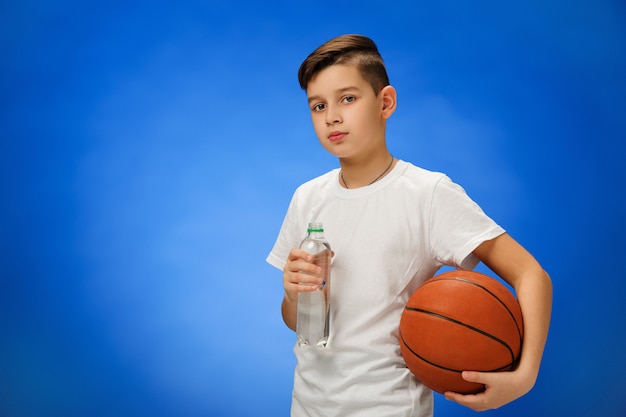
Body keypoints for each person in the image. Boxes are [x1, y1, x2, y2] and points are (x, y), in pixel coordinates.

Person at [266, 34, 552, 417]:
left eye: (347, 99)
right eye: (318, 106)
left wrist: (525, 376)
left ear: (385, 102)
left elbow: (531, 274)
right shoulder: (307, 198)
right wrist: (293, 295)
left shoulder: (428, 194)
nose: (332, 115)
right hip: (307, 405)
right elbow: (295, 321)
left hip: (389, 407)